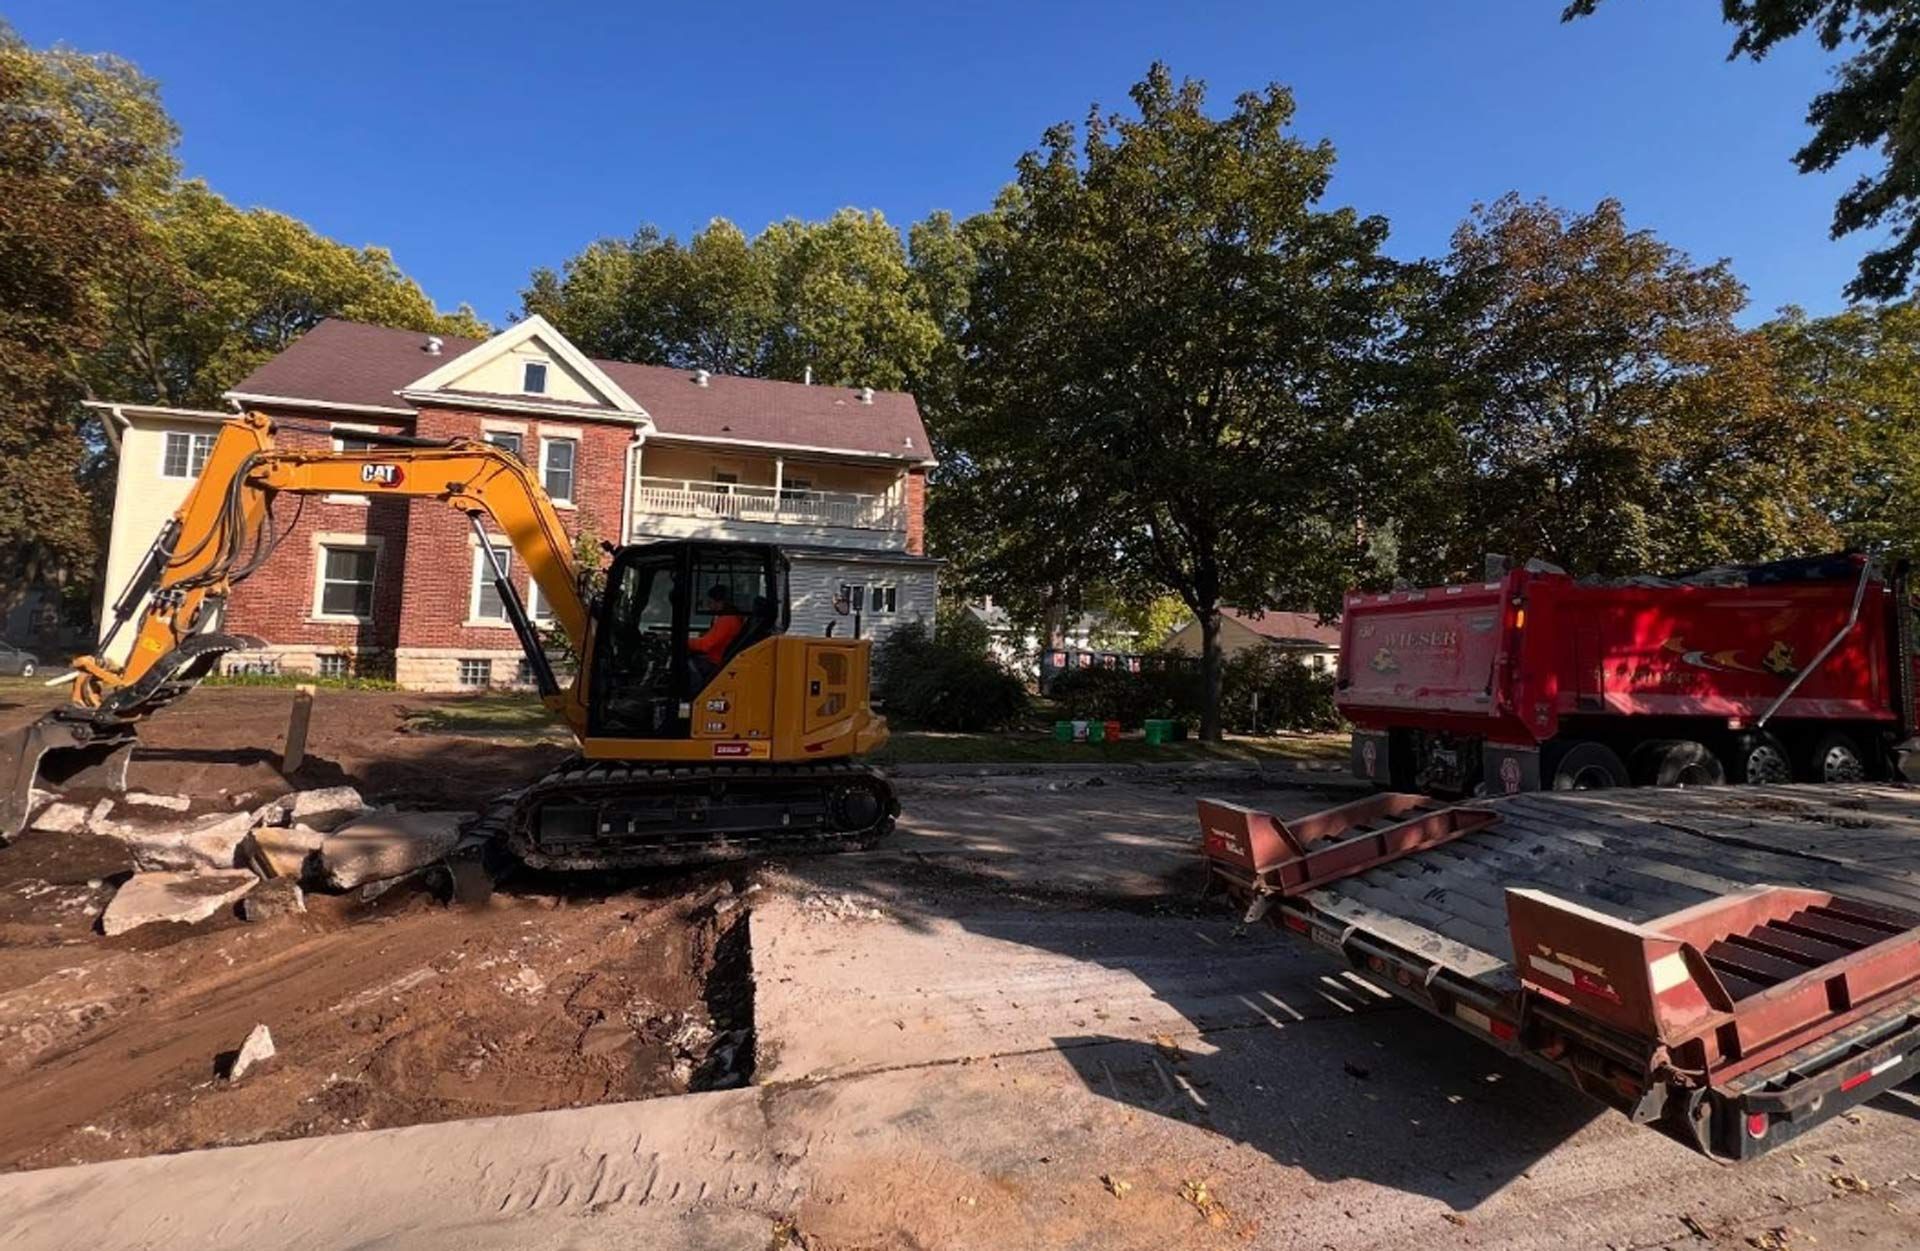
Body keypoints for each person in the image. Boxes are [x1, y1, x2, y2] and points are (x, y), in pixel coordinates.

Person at [688, 584, 745, 686]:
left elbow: (706, 645)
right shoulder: (729, 618)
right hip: (715, 659)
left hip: (715, 664)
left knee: (683, 665)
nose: (709, 606)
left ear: (719, 602)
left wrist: (682, 641)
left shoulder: (727, 620)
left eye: (710, 602)